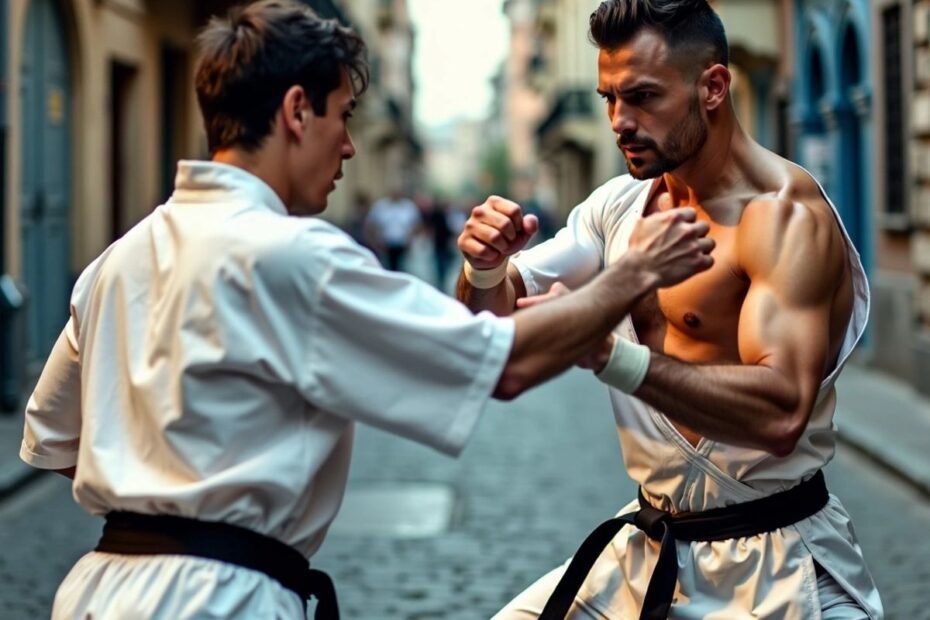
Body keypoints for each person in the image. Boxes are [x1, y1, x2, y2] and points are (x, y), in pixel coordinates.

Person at [17, 1, 714, 619]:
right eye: (341, 117)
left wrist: (156, 492)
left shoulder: (115, 261)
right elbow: (497, 362)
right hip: (222, 598)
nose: (348, 145)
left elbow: (54, 440)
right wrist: (632, 275)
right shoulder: (297, 258)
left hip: (94, 592)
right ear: (296, 111)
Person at [455, 1, 882, 618]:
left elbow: (783, 412)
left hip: (779, 567)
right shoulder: (618, 207)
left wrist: (608, 353)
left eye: (643, 97)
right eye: (609, 98)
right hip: (651, 551)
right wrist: (486, 265)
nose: (619, 121)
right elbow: (486, 329)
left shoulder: (783, 217)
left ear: (712, 87)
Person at [366, 185, 422, 271]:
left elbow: (416, 224)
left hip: (402, 243)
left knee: (402, 267)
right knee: (387, 267)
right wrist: (374, 241)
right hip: (385, 243)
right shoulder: (381, 206)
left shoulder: (409, 207)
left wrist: (411, 240)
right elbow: (371, 224)